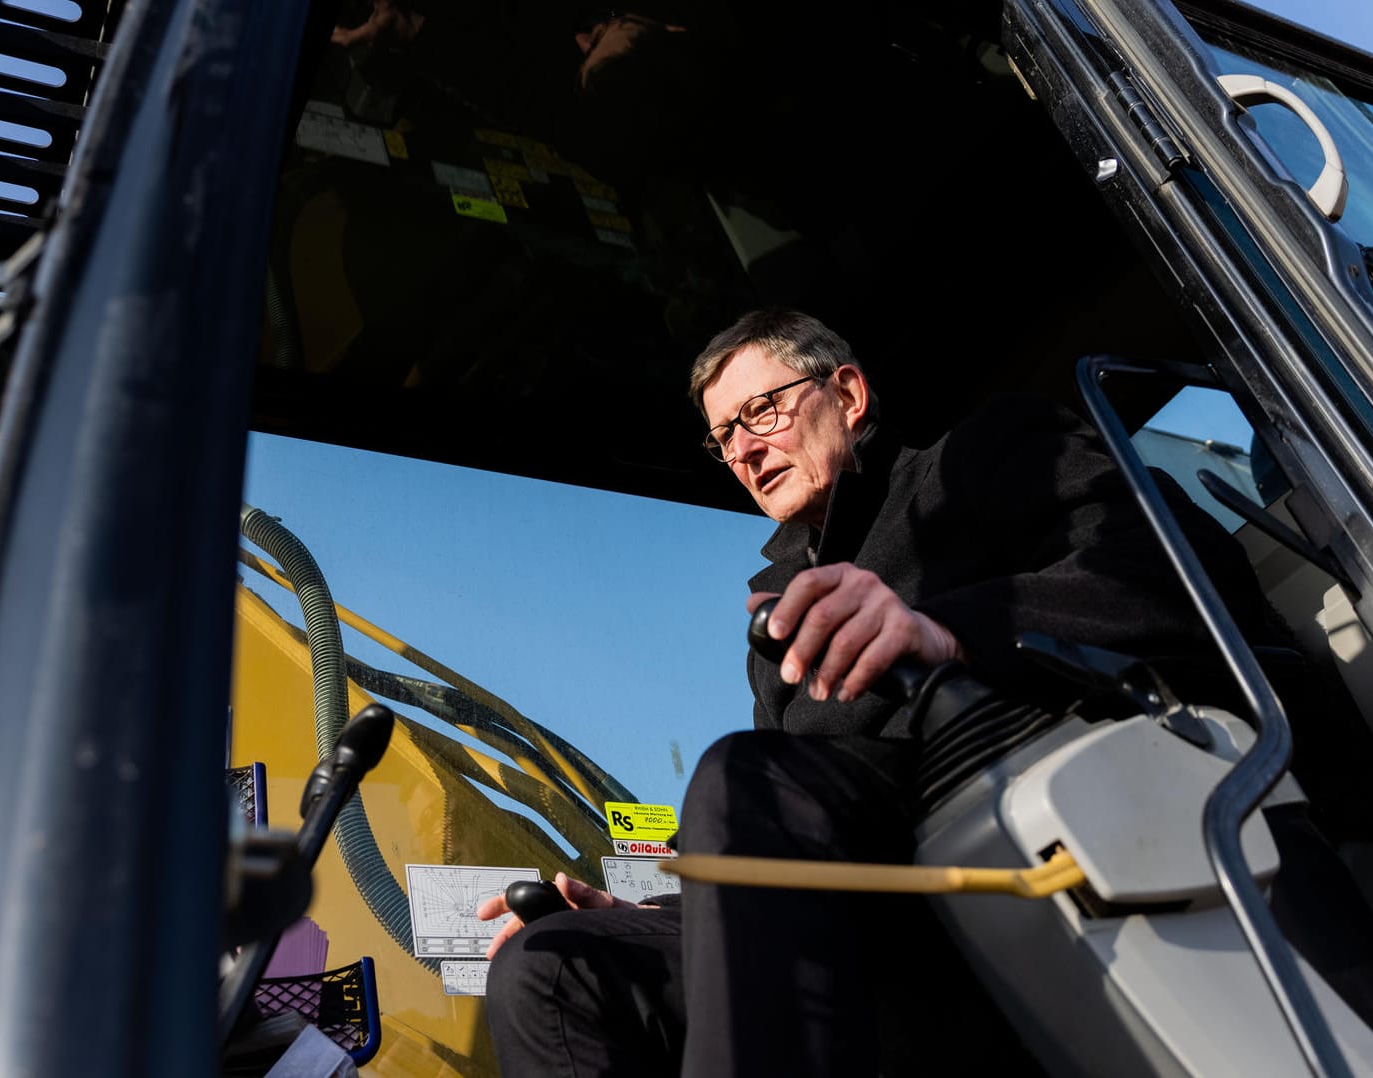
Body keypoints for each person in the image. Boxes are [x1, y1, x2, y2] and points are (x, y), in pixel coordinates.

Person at [476, 309, 1286, 1075]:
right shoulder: (780, 614)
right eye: (724, 437)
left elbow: (1179, 573)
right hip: (871, 922)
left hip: (1051, 854)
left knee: (746, 772)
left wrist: (948, 632)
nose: (744, 453)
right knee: (549, 964)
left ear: (848, 394)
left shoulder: (986, 459)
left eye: (760, 412)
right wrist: (641, 917)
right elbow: (772, 852)